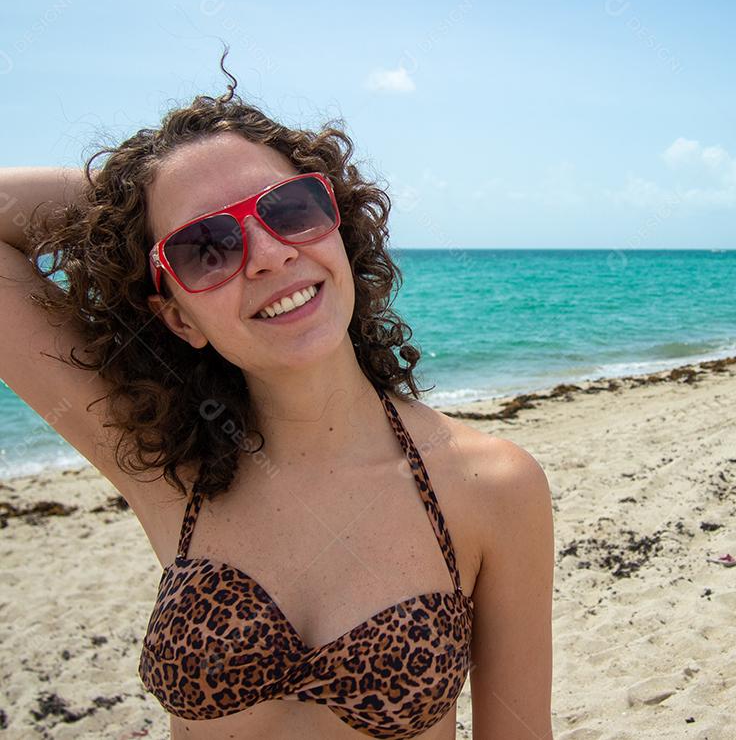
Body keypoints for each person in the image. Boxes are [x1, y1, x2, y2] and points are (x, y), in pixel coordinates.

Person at [0, 51, 554, 739]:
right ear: (177, 317)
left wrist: (176, 204)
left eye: (290, 210)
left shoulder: (493, 485)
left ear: (340, 230)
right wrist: (133, 199)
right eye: (207, 246)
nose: (266, 254)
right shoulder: (169, 467)